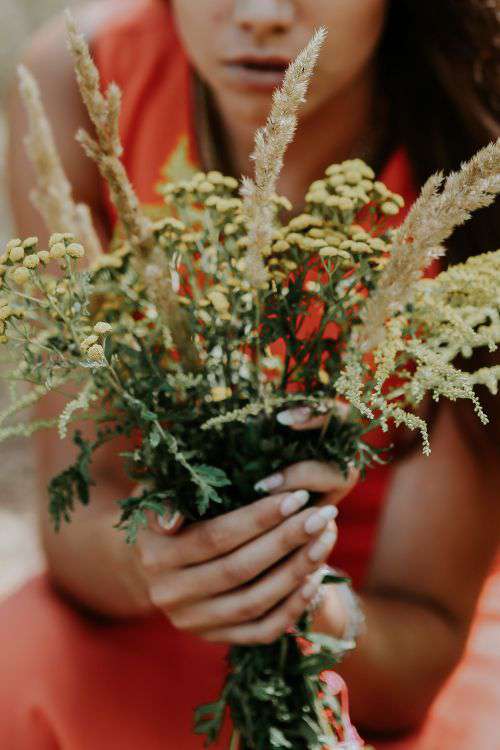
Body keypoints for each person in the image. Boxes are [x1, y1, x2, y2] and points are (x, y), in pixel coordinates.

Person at [1, 1, 499, 748]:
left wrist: (305, 605)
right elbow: (83, 517)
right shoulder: (83, 86)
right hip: (157, 587)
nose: (263, 14)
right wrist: (162, 562)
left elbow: (421, 642)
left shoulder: (476, 141)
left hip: (368, 627)